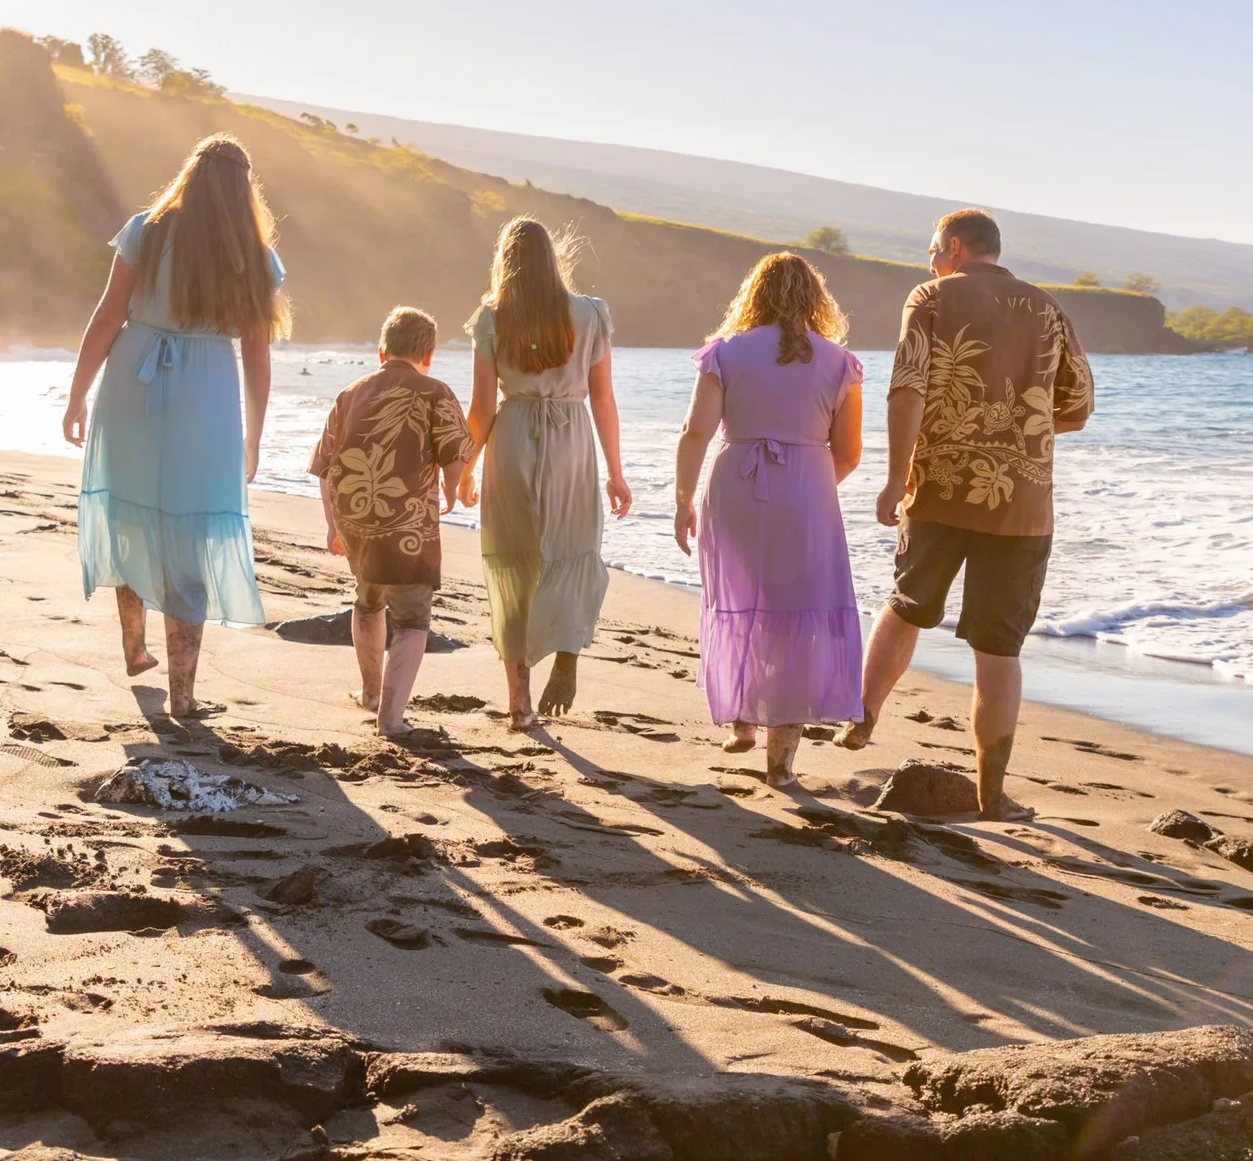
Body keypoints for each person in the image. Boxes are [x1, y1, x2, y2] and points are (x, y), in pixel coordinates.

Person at [841, 208, 1093, 817]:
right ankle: (992, 793)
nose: (930, 260)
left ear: (955, 247)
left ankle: (863, 716)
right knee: (998, 648)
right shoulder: (1047, 308)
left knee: (907, 603)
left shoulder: (930, 297)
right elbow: (1080, 406)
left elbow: (908, 389)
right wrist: (1019, 428)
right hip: (1023, 503)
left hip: (941, 487)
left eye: (933, 249)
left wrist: (896, 477)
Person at [63, 134, 286, 718]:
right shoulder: (255, 258)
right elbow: (259, 356)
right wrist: (254, 436)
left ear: (189, 174)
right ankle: (183, 697)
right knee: (189, 536)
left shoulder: (146, 230)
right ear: (244, 190)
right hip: (206, 395)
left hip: (132, 381)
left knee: (132, 509)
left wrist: (77, 394)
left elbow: (108, 316)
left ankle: (135, 647)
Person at [672, 253, 865, 784]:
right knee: (796, 615)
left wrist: (683, 500)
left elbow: (696, 434)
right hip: (807, 493)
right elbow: (848, 451)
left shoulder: (725, 354)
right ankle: (780, 764)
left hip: (734, 486)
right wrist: (807, 490)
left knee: (740, 600)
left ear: (753, 295)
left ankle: (740, 721)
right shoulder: (839, 362)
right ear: (815, 300)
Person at [458, 218, 633, 726]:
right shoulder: (592, 314)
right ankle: (568, 653)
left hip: (512, 437)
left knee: (515, 562)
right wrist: (616, 471)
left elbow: (481, 407)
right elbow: (603, 398)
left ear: (504, 262)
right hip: (572, 437)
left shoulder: (491, 319)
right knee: (576, 549)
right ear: (553, 259)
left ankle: (519, 704)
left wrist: (464, 466)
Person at [311, 307, 471, 737]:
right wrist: (455, 492)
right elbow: (455, 452)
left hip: (354, 511)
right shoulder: (435, 390)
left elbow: (326, 467)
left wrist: (332, 524)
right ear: (430, 354)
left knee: (368, 599)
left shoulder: (350, 393)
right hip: (404, 518)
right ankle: (391, 719)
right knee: (414, 616)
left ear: (381, 350)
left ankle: (371, 693)